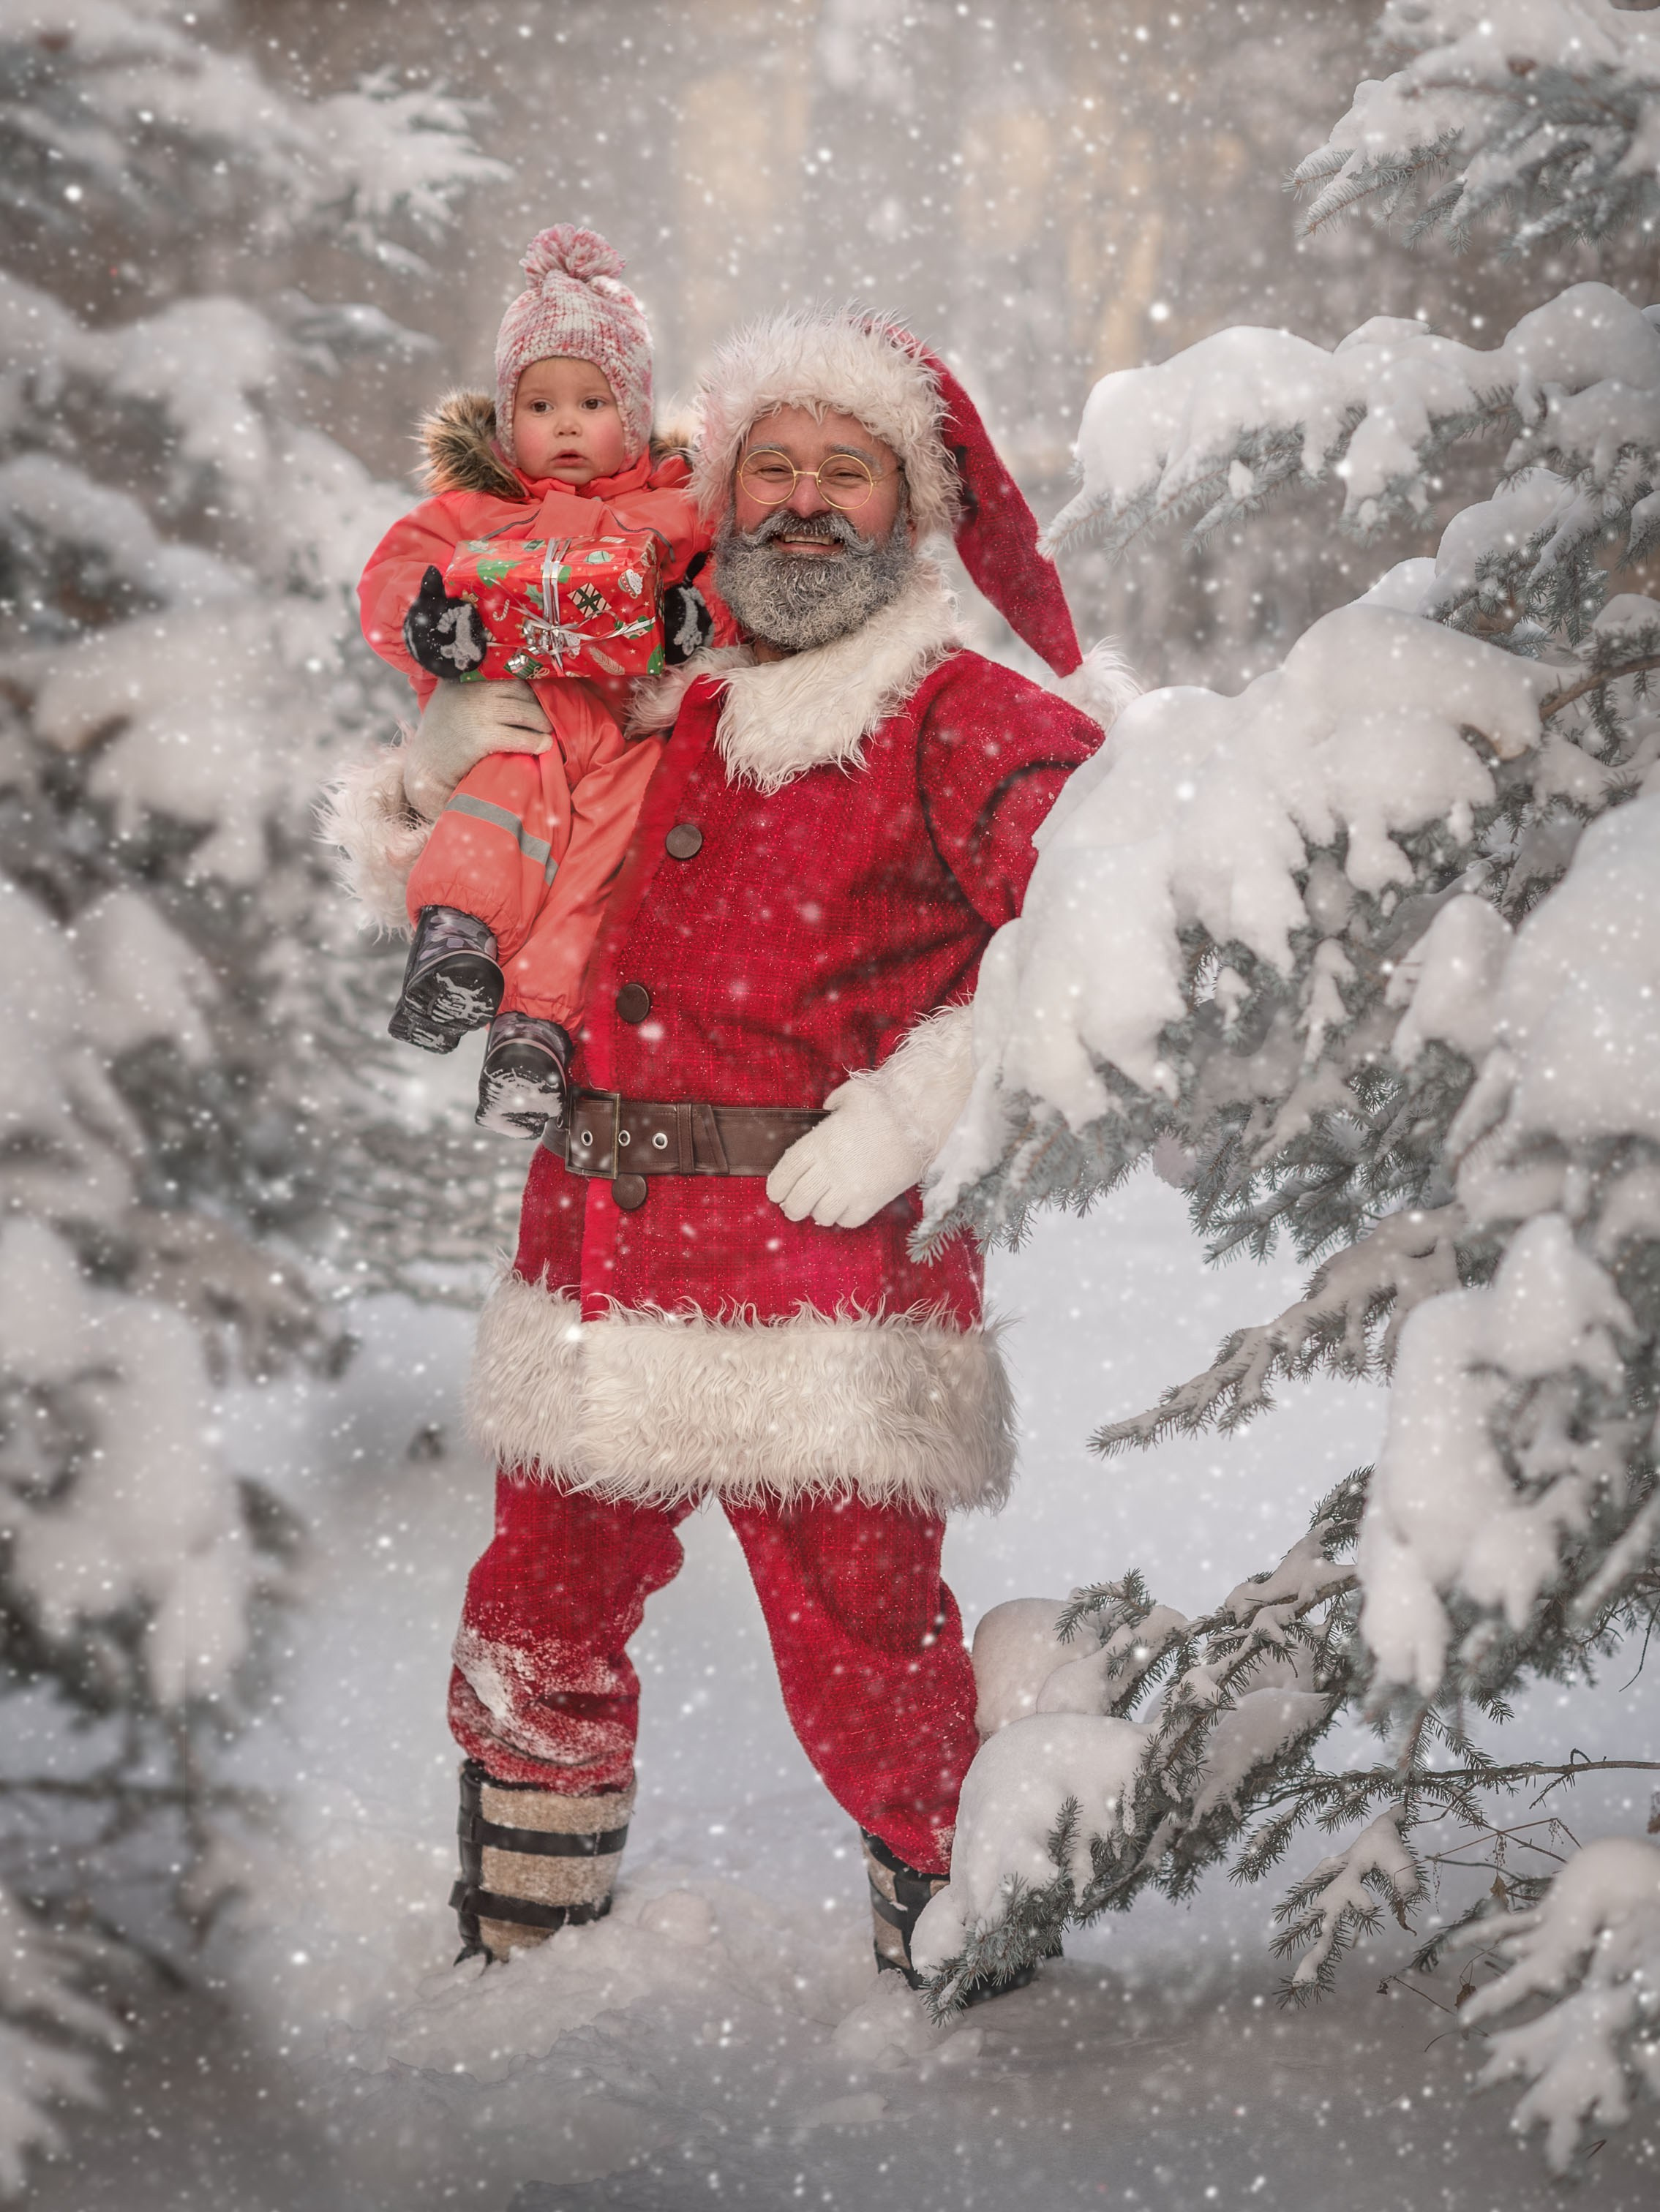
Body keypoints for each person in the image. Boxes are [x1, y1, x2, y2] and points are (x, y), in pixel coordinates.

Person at [334, 305, 1136, 1990]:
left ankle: (974, 1975)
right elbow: (498, 875)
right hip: (595, 1248)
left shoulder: (957, 712)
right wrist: (433, 767)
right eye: (771, 464)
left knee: (869, 1666)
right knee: (534, 1621)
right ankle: (522, 1976)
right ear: (720, 489)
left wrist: (919, 1107)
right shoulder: (644, 686)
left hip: (823, 1272)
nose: (803, 500)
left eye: (850, 468)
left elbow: (1113, 925)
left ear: (912, 507)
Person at [355, 224, 719, 1135]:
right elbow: (392, 577)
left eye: (592, 403)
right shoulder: (472, 512)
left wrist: (693, 618)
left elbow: (727, 580)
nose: (564, 425)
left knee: (602, 865)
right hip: (522, 711)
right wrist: (433, 625)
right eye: (540, 404)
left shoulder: (676, 508)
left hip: (629, 730)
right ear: (504, 416)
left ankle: (533, 1034)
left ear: (633, 415)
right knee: (506, 792)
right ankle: (457, 939)